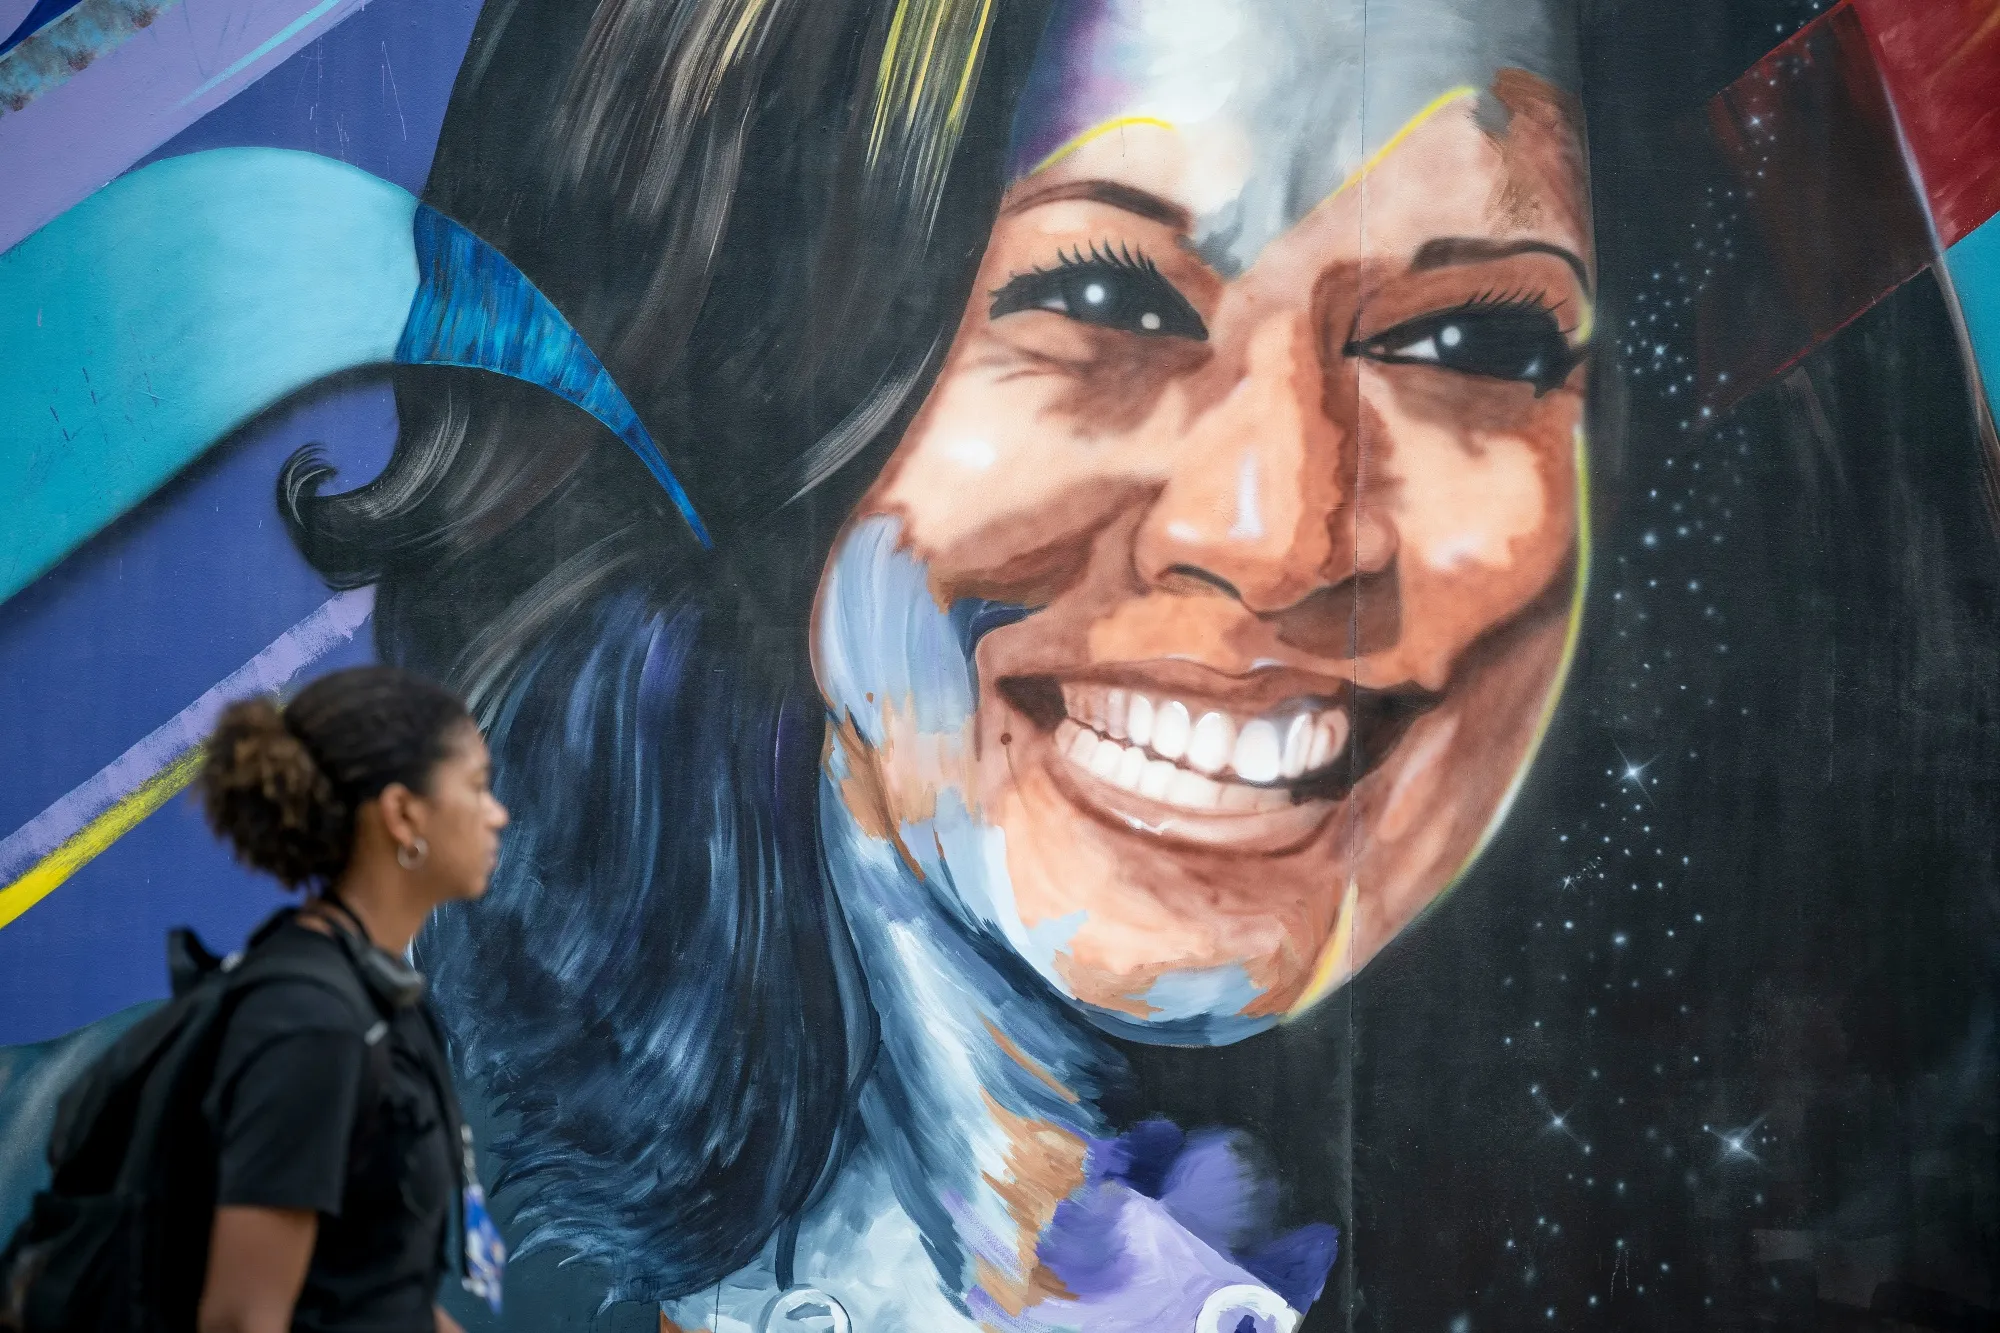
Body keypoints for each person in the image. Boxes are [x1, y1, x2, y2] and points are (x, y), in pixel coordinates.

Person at [193, 666, 508, 1333]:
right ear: (402, 814)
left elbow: (373, 1292)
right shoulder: (311, 1026)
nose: (497, 812)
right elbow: (241, 1315)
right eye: (477, 788)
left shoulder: (383, 1000)